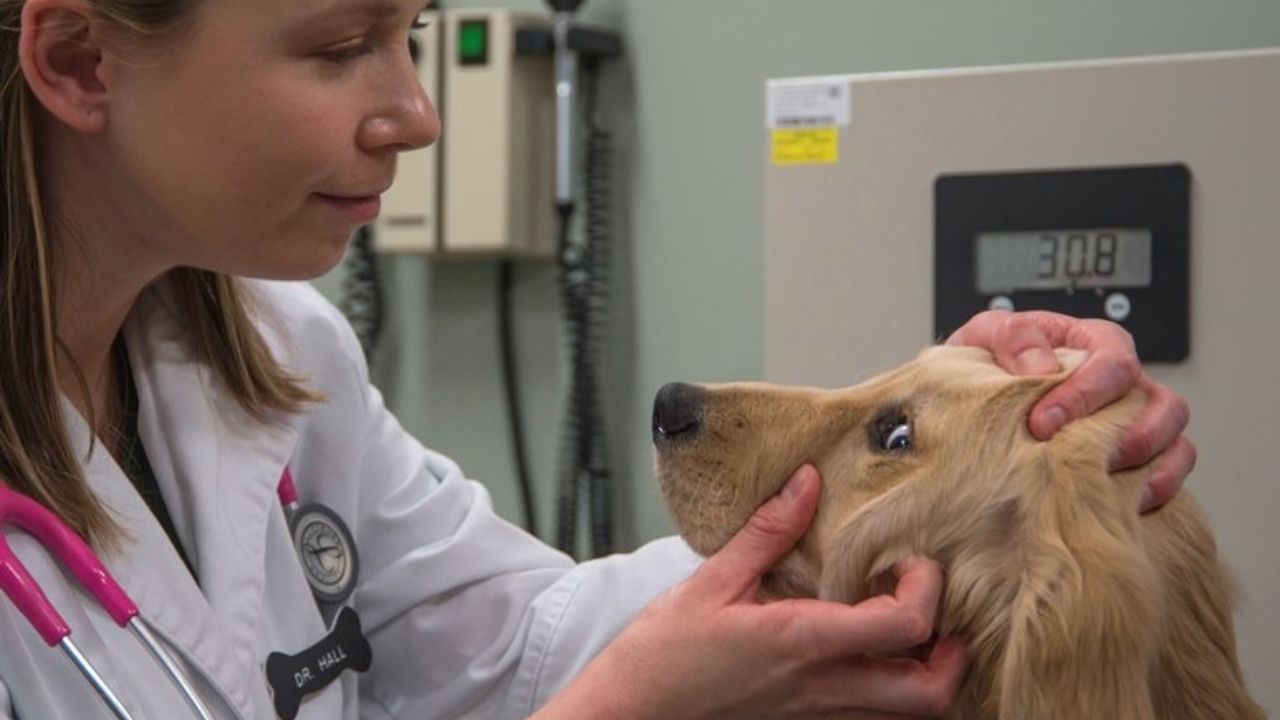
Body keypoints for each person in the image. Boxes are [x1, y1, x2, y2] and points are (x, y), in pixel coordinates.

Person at [0, 0, 1194, 717]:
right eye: (339, 46)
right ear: (78, 63)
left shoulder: (276, 353)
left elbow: (513, 645)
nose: (414, 111)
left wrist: (939, 464)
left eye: (408, 35)